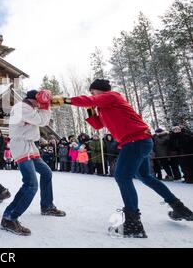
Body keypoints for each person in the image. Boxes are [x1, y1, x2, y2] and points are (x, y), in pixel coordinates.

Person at [58, 78, 193, 238]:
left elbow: (90, 99)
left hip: (135, 141)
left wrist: (64, 100)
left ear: (100, 91)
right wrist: (90, 109)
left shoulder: (112, 96)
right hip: (138, 141)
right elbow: (98, 125)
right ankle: (178, 206)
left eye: (92, 91)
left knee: (122, 176)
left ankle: (133, 224)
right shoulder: (103, 107)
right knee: (145, 176)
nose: (91, 94)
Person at [1, 90, 66, 236]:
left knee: (46, 173)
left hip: (30, 145)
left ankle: (47, 206)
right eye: (40, 101)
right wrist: (45, 106)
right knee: (31, 184)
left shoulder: (28, 107)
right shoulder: (21, 107)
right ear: (34, 100)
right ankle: (9, 217)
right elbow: (42, 121)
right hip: (22, 145)